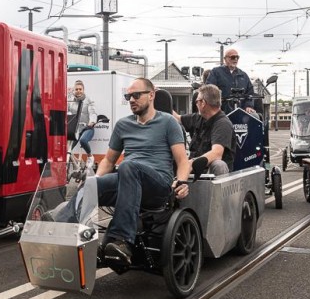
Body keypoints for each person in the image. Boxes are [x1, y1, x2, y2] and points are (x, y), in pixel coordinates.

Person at [93, 78, 190, 267]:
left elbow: (182, 161)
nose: (131, 100)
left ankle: (122, 240)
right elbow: (108, 160)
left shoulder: (168, 122)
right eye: (128, 96)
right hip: (129, 180)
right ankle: (59, 226)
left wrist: (181, 182)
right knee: (91, 185)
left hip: (158, 186)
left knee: (129, 166)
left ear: (151, 95)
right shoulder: (123, 125)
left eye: (136, 95)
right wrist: (95, 182)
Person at [172, 84, 235, 175]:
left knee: (218, 164)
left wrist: (191, 163)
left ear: (203, 103)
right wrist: (158, 97)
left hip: (211, 176)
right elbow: (177, 118)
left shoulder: (223, 124)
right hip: (194, 171)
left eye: (197, 101)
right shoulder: (199, 118)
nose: (196, 104)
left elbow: (217, 153)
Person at [205, 48, 256, 115]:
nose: (235, 59)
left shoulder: (243, 75)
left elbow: (250, 93)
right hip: (221, 112)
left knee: (255, 116)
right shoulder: (216, 72)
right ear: (225, 59)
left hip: (241, 112)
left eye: (237, 57)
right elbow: (209, 90)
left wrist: (249, 106)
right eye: (233, 57)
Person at [67, 80, 97, 164]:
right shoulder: (70, 101)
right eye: (76, 89)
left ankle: (90, 156)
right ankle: (74, 165)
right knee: (67, 149)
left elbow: (92, 112)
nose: (78, 91)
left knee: (83, 140)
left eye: (80, 89)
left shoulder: (88, 100)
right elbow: (66, 111)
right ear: (73, 90)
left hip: (87, 128)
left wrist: (92, 122)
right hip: (75, 129)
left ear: (83, 90)